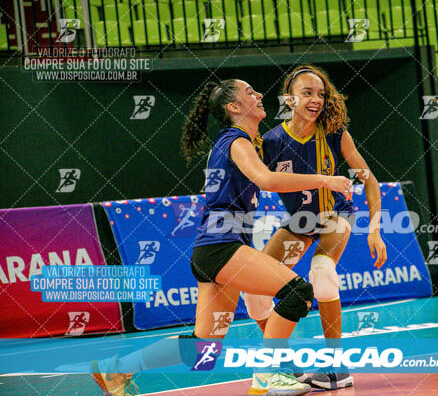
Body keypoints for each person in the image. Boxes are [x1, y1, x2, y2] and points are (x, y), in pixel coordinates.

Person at [91, 78, 354, 396]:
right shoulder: (236, 140)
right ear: (234, 107)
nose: (258, 95)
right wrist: (324, 181)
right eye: (249, 92)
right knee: (298, 292)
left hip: (213, 251)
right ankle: (268, 375)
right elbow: (267, 179)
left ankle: (117, 368)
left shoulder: (247, 142)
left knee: (205, 347)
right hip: (221, 246)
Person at [243, 65, 387, 390]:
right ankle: (283, 365)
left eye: (321, 94)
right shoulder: (272, 141)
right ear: (289, 99)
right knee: (252, 288)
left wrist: (375, 228)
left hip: (335, 215)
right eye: (307, 93)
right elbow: (252, 181)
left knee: (322, 271)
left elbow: (371, 182)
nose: (316, 99)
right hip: (299, 221)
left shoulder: (334, 132)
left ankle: (337, 368)